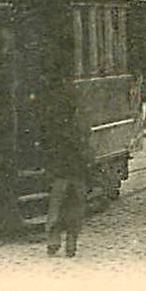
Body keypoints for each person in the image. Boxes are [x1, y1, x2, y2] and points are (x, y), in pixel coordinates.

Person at [40, 79, 90, 258]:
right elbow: (86, 147)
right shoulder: (79, 126)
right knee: (74, 207)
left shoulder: (55, 125)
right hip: (75, 170)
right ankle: (70, 242)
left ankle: (54, 241)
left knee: (57, 206)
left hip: (62, 170)